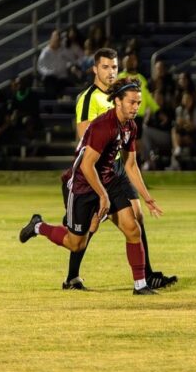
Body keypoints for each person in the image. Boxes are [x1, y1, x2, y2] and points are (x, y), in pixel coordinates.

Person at [18, 78, 163, 295]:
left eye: (138, 103)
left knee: (133, 228)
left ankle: (140, 285)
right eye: (132, 102)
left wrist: (147, 197)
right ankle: (39, 226)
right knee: (75, 243)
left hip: (107, 181)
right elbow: (86, 166)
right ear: (118, 102)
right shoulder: (103, 126)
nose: (136, 107)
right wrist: (102, 196)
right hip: (82, 185)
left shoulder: (130, 126)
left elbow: (131, 165)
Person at [66, 48, 177, 291]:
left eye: (114, 67)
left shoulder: (125, 97)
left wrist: (148, 197)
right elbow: (85, 139)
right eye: (105, 67)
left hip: (116, 165)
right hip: (95, 167)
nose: (110, 72)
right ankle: (72, 275)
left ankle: (144, 276)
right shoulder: (89, 98)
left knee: (136, 217)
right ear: (95, 69)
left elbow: (130, 160)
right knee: (86, 230)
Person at [37, 29, 75, 98]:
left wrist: (70, 66)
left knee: (71, 85)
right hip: (50, 77)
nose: (56, 40)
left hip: (62, 78)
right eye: (55, 38)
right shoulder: (46, 52)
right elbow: (40, 67)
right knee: (51, 86)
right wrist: (51, 72)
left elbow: (72, 60)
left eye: (58, 39)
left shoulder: (63, 51)